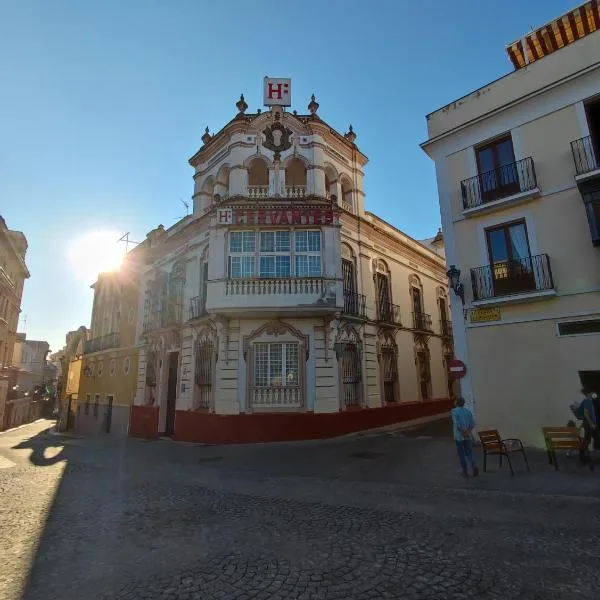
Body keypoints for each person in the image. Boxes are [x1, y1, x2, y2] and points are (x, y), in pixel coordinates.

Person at [450, 397, 479, 477]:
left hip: (459, 436)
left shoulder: (454, 411)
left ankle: (465, 471)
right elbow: (472, 424)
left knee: (461, 453)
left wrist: (463, 432)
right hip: (468, 435)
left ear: (456, 403)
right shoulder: (468, 412)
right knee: (469, 452)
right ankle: (473, 466)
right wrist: (467, 432)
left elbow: (457, 424)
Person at [578, 389, 597, 465]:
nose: (593, 393)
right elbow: (586, 414)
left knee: (587, 439)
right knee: (587, 440)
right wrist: (591, 423)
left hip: (589, 424)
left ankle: (583, 456)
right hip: (589, 424)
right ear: (588, 393)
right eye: (592, 392)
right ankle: (583, 456)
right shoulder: (587, 401)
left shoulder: (590, 401)